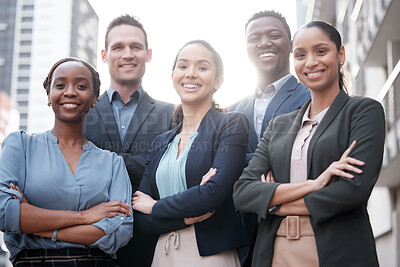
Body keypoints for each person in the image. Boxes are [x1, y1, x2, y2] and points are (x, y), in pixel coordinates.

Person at [233, 21, 385, 267]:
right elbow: (243, 192)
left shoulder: (362, 111)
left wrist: (274, 205)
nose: (311, 62)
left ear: (341, 55)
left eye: (321, 51)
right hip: (275, 251)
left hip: (336, 250)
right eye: (301, 55)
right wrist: (315, 184)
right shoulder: (279, 125)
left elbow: (352, 190)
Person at [0, 57, 133, 266]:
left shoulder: (113, 163)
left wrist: (32, 223)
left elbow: (120, 232)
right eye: (60, 85)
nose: (70, 92)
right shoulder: (21, 146)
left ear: (94, 98)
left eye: (81, 86)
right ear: (49, 94)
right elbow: (4, 213)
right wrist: (86, 216)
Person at [131, 40, 249, 266]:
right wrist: (183, 218)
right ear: (173, 75)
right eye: (183, 66)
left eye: (202, 67)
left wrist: (155, 206)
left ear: (218, 82)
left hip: (210, 256)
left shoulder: (231, 125)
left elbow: (212, 195)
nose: (191, 74)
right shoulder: (160, 143)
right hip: (162, 254)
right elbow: (139, 214)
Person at [83, 15, 174, 266]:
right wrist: (144, 162)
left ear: (148, 54)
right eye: (118, 47)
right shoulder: (80, 112)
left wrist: (97, 158)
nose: (127, 54)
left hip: (152, 246)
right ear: (104, 55)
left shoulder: (172, 114)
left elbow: (165, 173)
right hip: (88, 245)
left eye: (136, 47)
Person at [228, 10, 311, 266]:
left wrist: (241, 165)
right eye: (255, 38)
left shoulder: (310, 97)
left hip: (294, 230)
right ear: (246, 48)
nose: (264, 42)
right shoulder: (232, 110)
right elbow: (221, 165)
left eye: (274, 35)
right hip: (240, 238)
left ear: (290, 44)